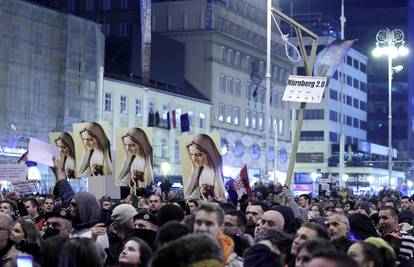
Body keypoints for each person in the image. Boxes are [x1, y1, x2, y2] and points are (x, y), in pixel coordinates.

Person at [185, 134, 226, 199]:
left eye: (199, 155)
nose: (194, 159)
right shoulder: (197, 172)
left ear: (209, 153)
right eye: (192, 154)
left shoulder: (217, 174)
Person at [118, 127, 154, 198]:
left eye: (132, 145)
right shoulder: (129, 157)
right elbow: (122, 179)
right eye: (126, 144)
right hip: (128, 192)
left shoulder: (146, 161)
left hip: (141, 194)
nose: (128, 148)